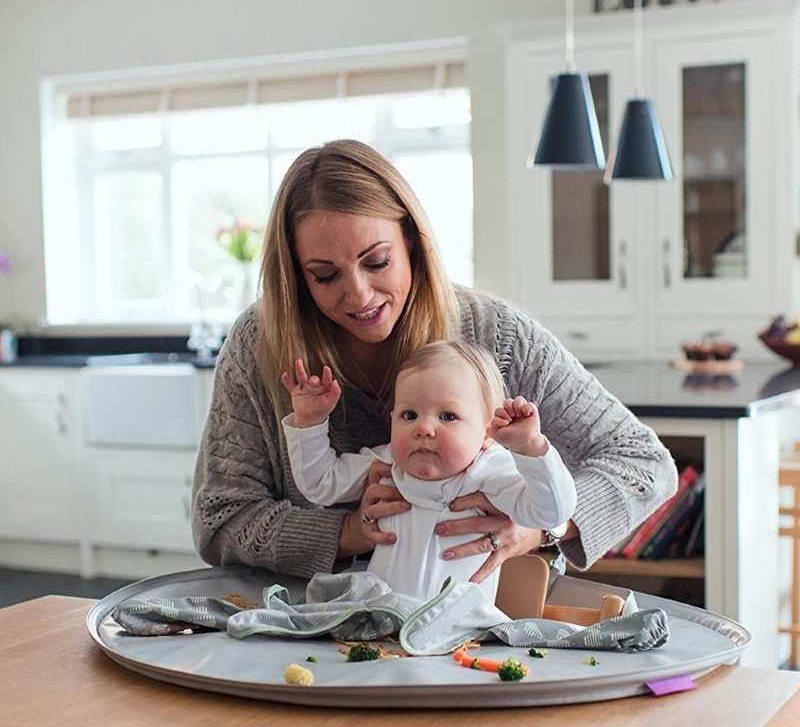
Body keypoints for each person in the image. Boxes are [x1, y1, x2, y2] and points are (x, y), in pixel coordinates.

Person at [192, 138, 678, 589]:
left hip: (476, 638)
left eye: (377, 262)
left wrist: (536, 528)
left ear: (412, 243)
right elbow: (220, 520)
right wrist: (351, 532)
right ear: (296, 277)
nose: (358, 294)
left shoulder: (498, 335)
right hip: (306, 631)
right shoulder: (261, 342)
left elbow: (643, 463)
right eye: (324, 275)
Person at [280, 339, 576, 602]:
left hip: (457, 632)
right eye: (409, 415)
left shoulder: (489, 471)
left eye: (448, 416)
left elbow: (550, 513)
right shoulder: (389, 464)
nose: (423, 428)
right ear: (392, 418)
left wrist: (532, 449)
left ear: (487, 431)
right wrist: (309, 424)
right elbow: (320, 484)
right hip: (378, 625)